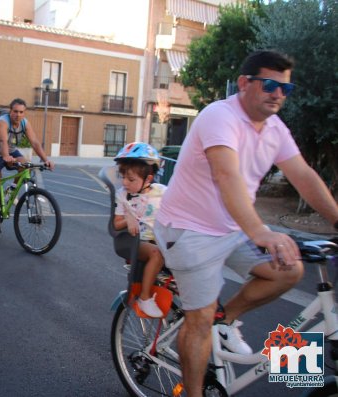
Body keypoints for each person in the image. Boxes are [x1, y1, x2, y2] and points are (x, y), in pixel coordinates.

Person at [152, 50, 338, 397]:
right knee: (199, 319)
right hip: (189, 230)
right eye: (270, 85)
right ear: (244, 83)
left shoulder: (275, 129)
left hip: (232, 228)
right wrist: (261, 231)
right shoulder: (219, 116)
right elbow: (227, 174)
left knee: (290, 270)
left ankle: (224, 321)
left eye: (286, 89)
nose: (278, 94)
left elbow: (304, 176)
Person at [0, 98, 55, 235]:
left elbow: (34, 142)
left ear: (24, 113)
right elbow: (3, 140)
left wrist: (46, 159)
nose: (18, 114)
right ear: (10, 111)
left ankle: (11, 190)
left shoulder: (24, 123)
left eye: (21, 112)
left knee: (25, 164)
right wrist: (5, 157)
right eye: (15, 111)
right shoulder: (2, 122)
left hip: (10, 150)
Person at [113, 142, 167, 318]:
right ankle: (144, 297)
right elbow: (116, 223)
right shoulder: (123, 195)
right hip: (136, 241)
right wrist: (128, 218)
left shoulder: (162, 192)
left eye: (131, 179)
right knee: (156, 254)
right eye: (123, 177)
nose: (124, 183)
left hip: (159, 239)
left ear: (148, 179)